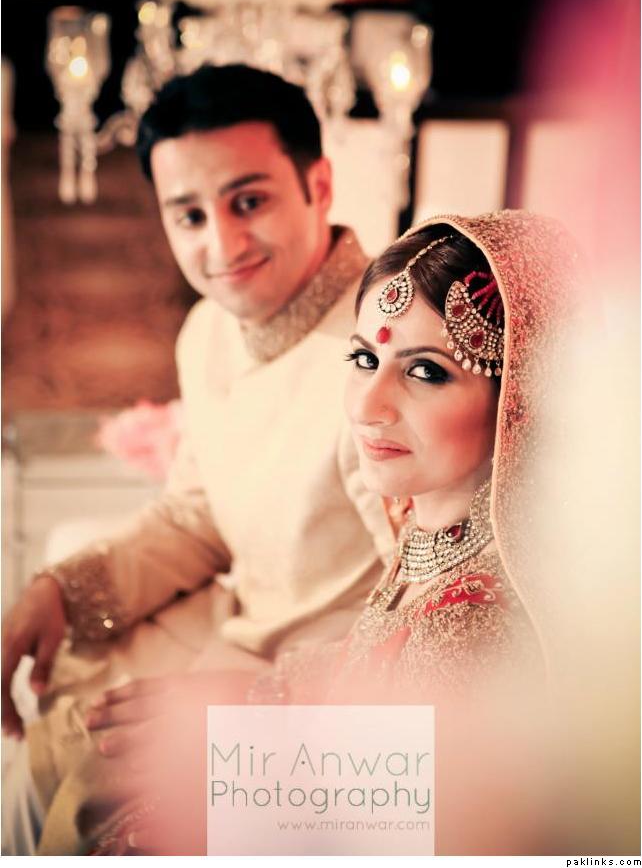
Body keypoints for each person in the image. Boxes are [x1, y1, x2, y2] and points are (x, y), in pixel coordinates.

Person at [45, 209, 582, 855]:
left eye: (426, 371)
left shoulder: (475, 625)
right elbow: (366, 665)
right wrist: (249, 697)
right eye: (364, 358)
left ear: (522, 397)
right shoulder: (436, 529)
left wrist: (223, 756)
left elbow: (381, 825)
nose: (367, 405)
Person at [1, 64, 395, 854]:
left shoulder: (392, 349)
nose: (221, 246)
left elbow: (443, 611)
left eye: (249, 202)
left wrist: (265, 701)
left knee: (90, 801)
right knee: (45, 752)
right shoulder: (208, 332)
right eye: (188, 214)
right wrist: (61, 589)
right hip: (235, 638)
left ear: (319, 186)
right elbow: (197, 514)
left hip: (336, 696)